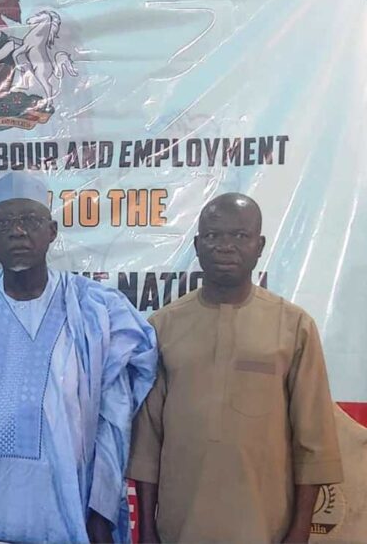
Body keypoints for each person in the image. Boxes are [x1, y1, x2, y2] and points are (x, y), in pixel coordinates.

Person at [0, 172, 158, 543]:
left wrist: (101, 511)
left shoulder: (93, 311)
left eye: (29, 220)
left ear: (52, 230)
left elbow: (114, 417)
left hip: (64, 512)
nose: (17, 232)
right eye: (4, 223)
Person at [128, 193, 343, 543]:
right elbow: (148, 441)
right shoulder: (162, 326)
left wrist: (300, 530)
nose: (225, 246)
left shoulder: (294, 327)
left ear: (260, 246)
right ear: (197, 245)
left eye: (240, 236)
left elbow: (313, 441)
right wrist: (148, 531)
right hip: (179, 527)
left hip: (265, 527)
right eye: (213, 236)